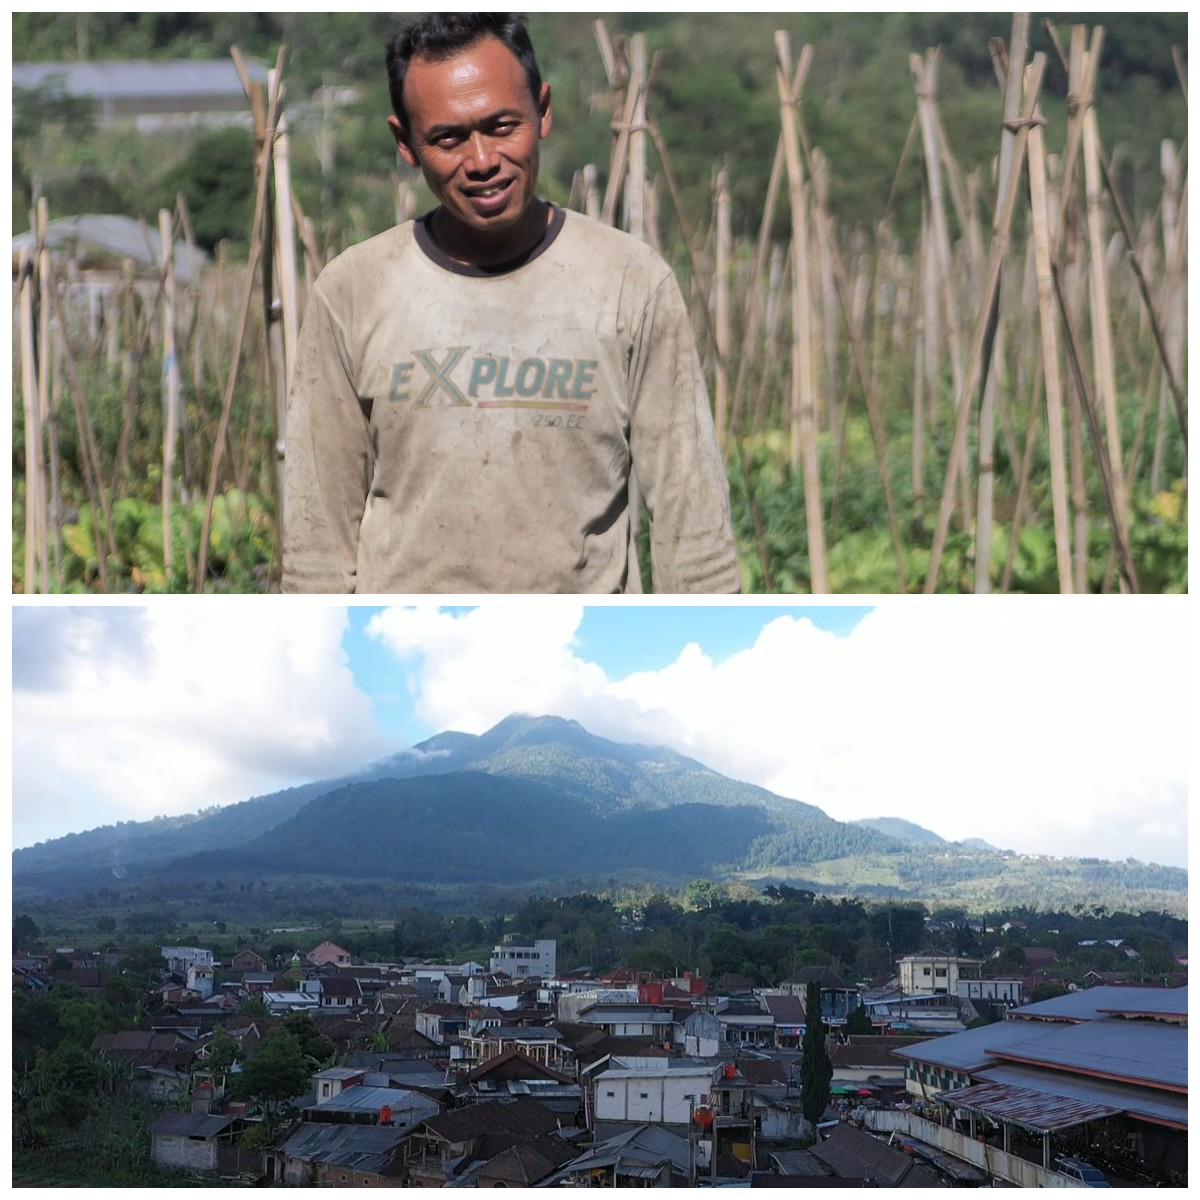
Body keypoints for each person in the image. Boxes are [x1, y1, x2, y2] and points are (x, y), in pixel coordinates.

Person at [282, 13, 741, 593]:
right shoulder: (353, 292)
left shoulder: (629, 282)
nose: (481, 161)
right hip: (406, 656)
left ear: (542, 111)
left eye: (503, 126)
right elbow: (316, 546)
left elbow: (692, 527)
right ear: (406, 144)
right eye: (448, 138)